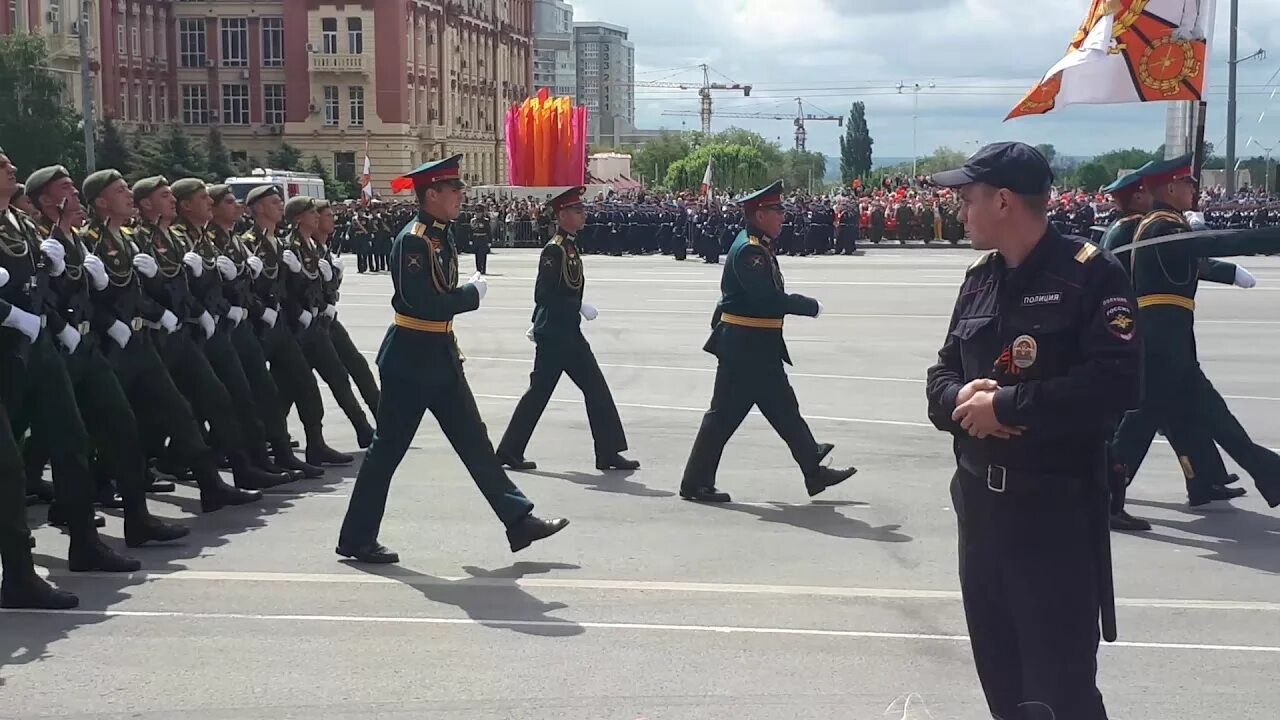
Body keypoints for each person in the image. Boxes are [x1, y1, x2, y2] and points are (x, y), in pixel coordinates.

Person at [924, 142, 1141, 720]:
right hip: (981, 511)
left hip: (1053, 513)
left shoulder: (1091, 275)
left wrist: (1012, 406)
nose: (960, 210)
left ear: (1002, 201)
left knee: (1060, 691)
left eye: (966, 198)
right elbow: (942, 370)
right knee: (1004, 683)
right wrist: (958, 399)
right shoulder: (979, 278)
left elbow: (1118, 382)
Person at [336, 155, 568, 564]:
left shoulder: (441, 235)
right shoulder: (414, 239)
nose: (462, 195)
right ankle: (356, 537)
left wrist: (461, 296)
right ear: (432, 194)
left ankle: (518, 519)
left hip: (439, 355)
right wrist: (469, 297)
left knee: (475, 442)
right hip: (410, 359)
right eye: (454, 189)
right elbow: (421, 301)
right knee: (386, 451)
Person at [79, 169, 264, 514]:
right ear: (102, 201)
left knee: (192, 406)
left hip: (161, 335)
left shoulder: (136, 239)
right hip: (118, 342)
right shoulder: (92, 239)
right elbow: (91, 295)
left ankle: (212, 483)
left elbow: (162, 287)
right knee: (117, 422)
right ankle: (92, 487)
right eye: (120, 191)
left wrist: (177, 300)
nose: (128, 195)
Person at [1108, 154, 1280, 511]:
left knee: (1216, 418)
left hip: (1172, 343)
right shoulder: (1161, 227)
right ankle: (1103, 495)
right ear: (1170, 187)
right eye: (1188, 183)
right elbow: (1215, 246)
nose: (1194, 188)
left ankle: (1254, 476)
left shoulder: (1163, 224)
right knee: (1139, 424)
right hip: (1160, 344)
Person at [679, 180, 857, 504]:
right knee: (723, 417)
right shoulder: (750, 250)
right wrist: (806, 305)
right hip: (745, 350)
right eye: (777, 211)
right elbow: (766, 298)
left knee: (783, 409)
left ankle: (813, 469)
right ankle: (695, 483)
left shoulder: (756, 245)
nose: (783, 217)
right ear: (760, 214)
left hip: (755, 347)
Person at [496, 187, 638, 473]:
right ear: (562, 215)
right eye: (577, 210)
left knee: (592, 389)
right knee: (545, 392)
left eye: (582, 209)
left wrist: (576, 307)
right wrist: (577, 307)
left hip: (567, 333)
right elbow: (543, 294)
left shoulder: (571, 246)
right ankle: (509, 451)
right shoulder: (554, 249)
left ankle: (607, 452)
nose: (583, 214)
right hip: (555, 336)